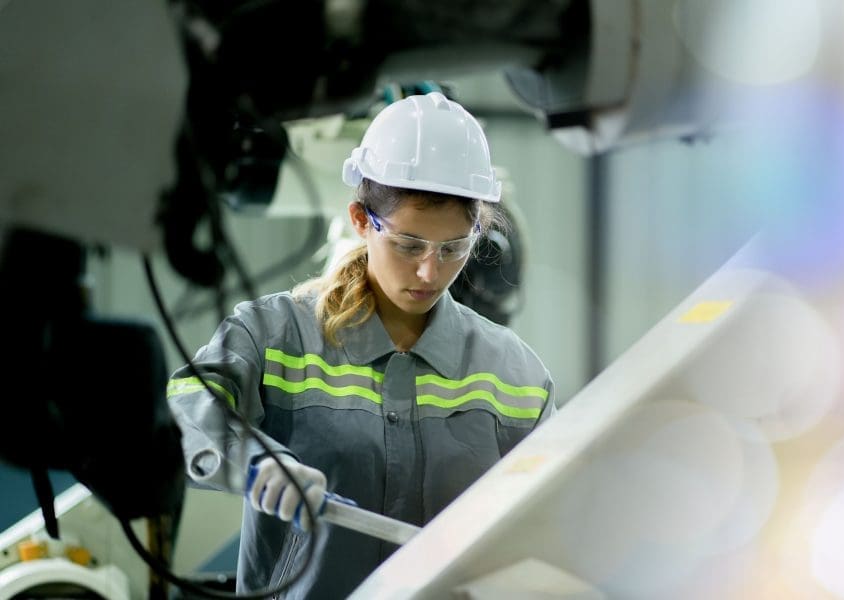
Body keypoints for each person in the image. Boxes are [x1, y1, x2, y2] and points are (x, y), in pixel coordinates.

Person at [166, 91, 556, 599]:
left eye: (453, 249)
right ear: (359, 220)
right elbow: (187, 413)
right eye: (408, 244)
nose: (429, 271)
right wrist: (257, 462)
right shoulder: (274, 334)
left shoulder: (517, 375)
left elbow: (552, 522)